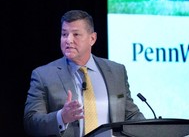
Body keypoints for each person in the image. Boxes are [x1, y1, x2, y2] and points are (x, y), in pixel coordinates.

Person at [24, 9, 145, 137]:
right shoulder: (44, 75)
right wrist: (61, 117)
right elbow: (31, 123)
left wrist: (154, 129)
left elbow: (130, 114)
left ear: (92, 38)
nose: (68, 40)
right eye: (64, 34)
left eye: (76, 34)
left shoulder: (116, 72)